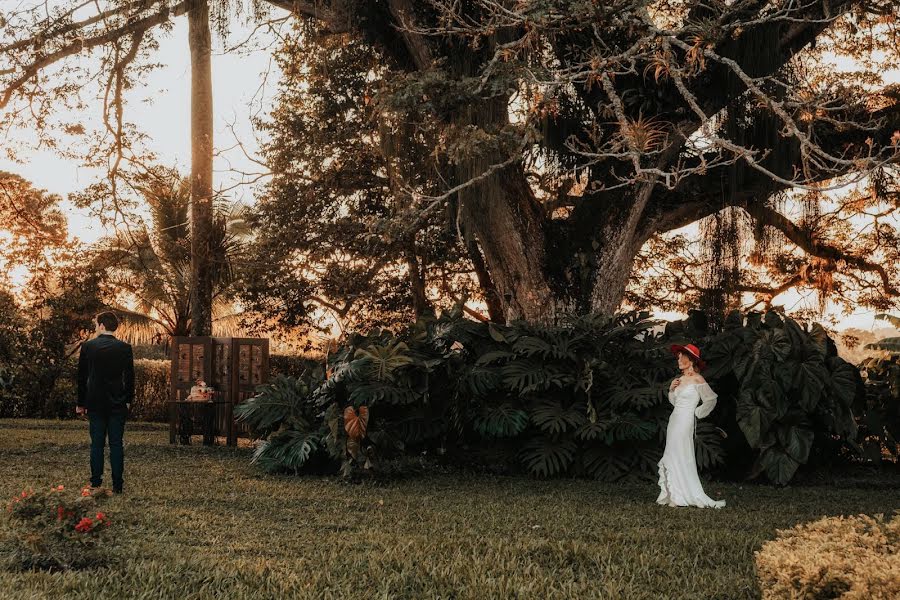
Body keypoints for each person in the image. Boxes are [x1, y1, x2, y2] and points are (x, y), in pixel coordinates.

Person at [656, 343, 725, 509]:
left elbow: (711, 399)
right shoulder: (679, 380)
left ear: (691, 360)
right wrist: (671, 390)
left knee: (681, 453)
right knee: (672, 453)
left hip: (686, 420)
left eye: (681, 356)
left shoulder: (697, 379)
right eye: (678, 357)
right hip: (675, 420)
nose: (678, 359)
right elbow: (674, 402)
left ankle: (682, 494)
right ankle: (674, 495)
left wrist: (696, 413)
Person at [76, 312, 134, 494]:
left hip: (94, 402)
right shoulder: (125, 348)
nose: (95, 327)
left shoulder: (88, 347)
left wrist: (80, 403)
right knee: (116, 444)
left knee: (97, 444)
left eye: (95, 324)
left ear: (101, 325)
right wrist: (128, 400)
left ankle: (95, 483)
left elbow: (81, 378)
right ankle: (118, 485)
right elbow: (130, 377)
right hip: (117, 402)